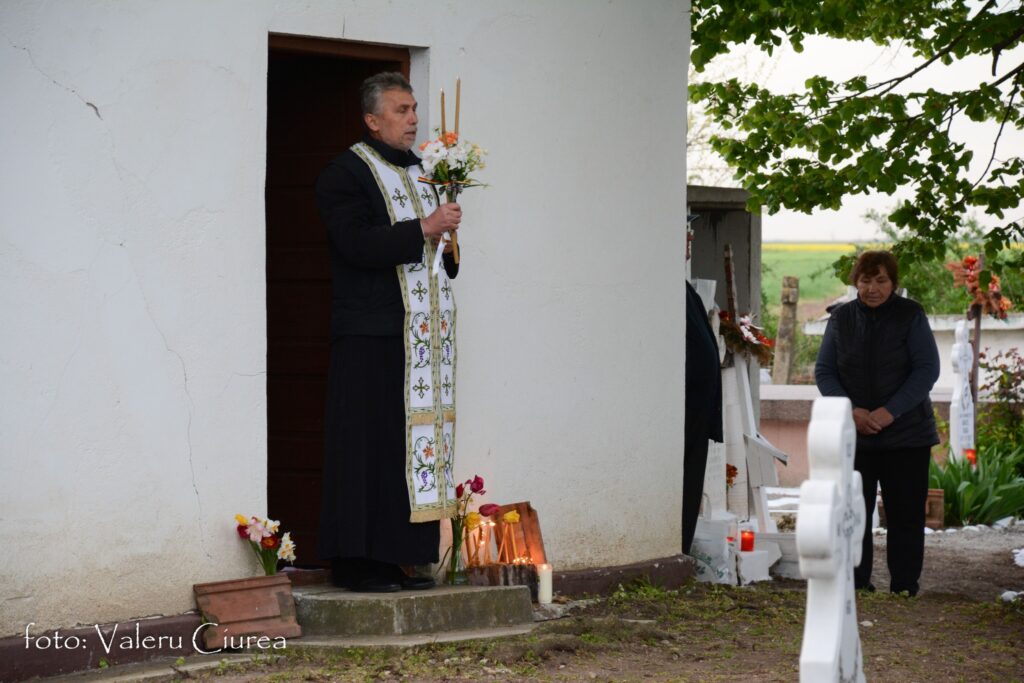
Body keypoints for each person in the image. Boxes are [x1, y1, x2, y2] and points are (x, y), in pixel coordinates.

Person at [315, 72, 462, 593]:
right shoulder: (345, 173)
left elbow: (435, 258)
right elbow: (355, 244)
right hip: (370, 334)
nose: (414, 119)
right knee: (366, 448)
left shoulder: (425, 172)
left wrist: (446, 248)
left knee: (406, 451)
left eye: (415, 108)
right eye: (401, 111)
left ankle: (401, 556)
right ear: (372, 119)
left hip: (420, 342)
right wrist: (424, 229)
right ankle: (356, 562)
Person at [815, 250, 940, 596]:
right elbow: (825, 372)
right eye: (866, 280)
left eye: (881, 280)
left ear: (894, 284)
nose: (873, 288)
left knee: (905, 513)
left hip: (907, 434)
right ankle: (856, 581)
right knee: (854, 511)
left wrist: (890, 411)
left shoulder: (911, 315)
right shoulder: (840, 319)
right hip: (855, 434)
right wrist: (851, 411)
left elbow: (927, 370)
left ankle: (903, 584)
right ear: (856, 282)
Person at [682, 227, 724, 556]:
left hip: (695, 412)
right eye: (685, 232)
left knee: (690, 487)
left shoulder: (683, 289)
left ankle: (681, 547)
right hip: (681, 413)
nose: (691, 239)